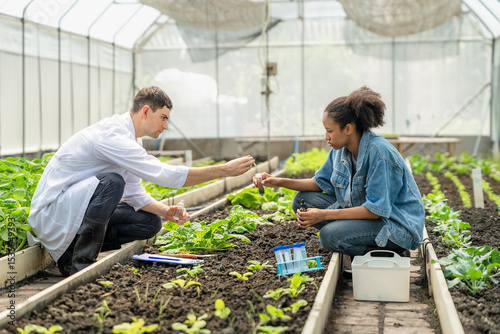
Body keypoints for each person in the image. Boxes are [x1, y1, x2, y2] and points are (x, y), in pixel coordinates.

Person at [28, 86, 255, 276]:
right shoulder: (112, 135)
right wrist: (223, 170)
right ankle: (76, 264)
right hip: (53, 212)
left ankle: (78, 248)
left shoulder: (133, 141)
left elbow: (134, 193)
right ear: (146, 111)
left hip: (73, 209)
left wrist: (165, 211)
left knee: (150, 222)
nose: (165, 126)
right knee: (112, 182)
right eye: (163, 118)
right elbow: (166, 175)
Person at [255, 86, 424, 257]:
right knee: (301, 200)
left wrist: (324, 215)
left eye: (329, 131)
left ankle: (387, 252)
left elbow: (375, 211)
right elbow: (318, 182)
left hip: (395, 225)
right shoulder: (340, 150)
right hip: (369, 216)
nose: (326, 136)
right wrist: (277, 181)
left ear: (348, 129)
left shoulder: (380, 154)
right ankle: (352, 236)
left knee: (330, 235)